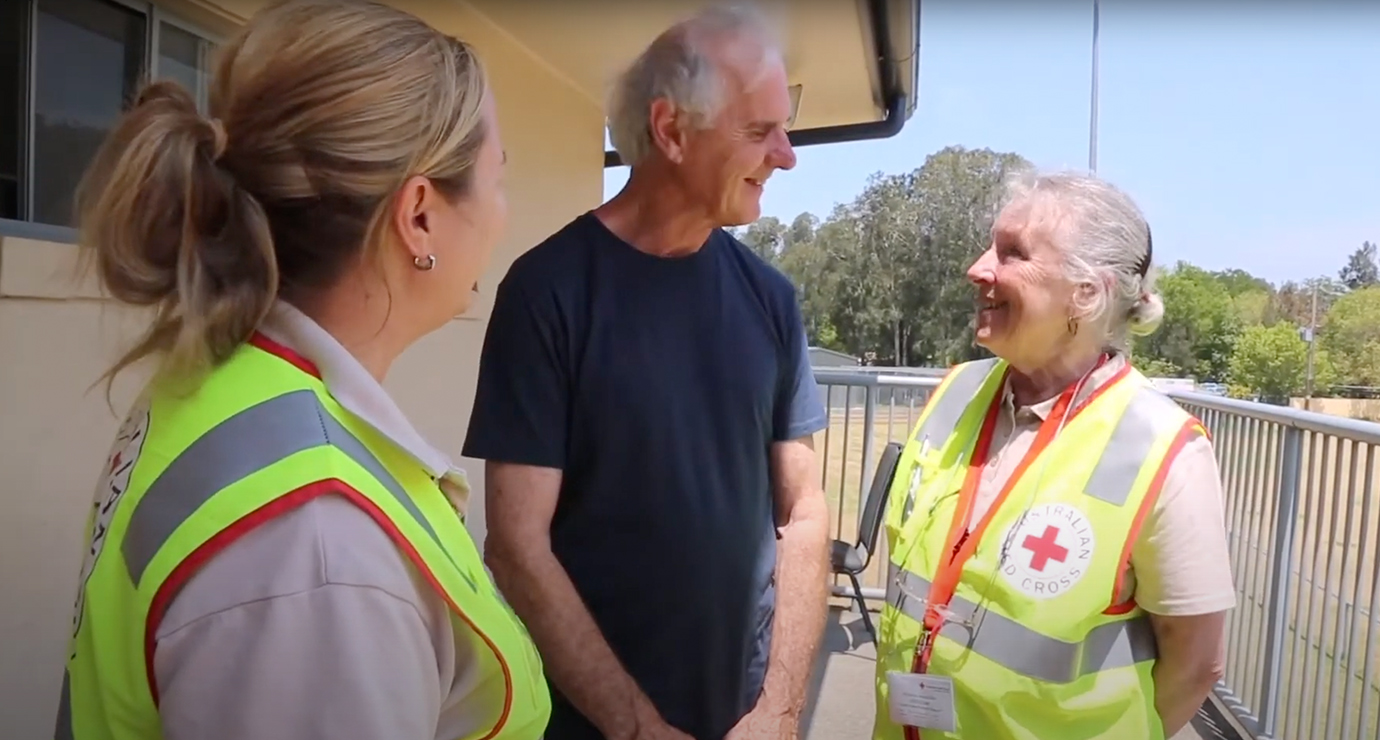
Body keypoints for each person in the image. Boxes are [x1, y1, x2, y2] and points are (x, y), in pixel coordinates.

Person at [54, 2, 550, 739]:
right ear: (419, 216)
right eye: (496, 178)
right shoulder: (319, 553)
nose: (504, 215)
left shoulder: (224, 381)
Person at [463, 6, 830, 740]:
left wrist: (781, 710)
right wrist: (636, 728)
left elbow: (805, 512)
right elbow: (516, 544)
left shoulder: (772, 300)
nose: (787, 156)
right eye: (759, 132)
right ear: (669, 130)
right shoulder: (548, 293)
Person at [871, 170, 1235, 740]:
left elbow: (1196, 664)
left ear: (1086, 293)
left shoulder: (1164, 447)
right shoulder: (956, 392)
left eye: (1012, 253)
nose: (978, 268)